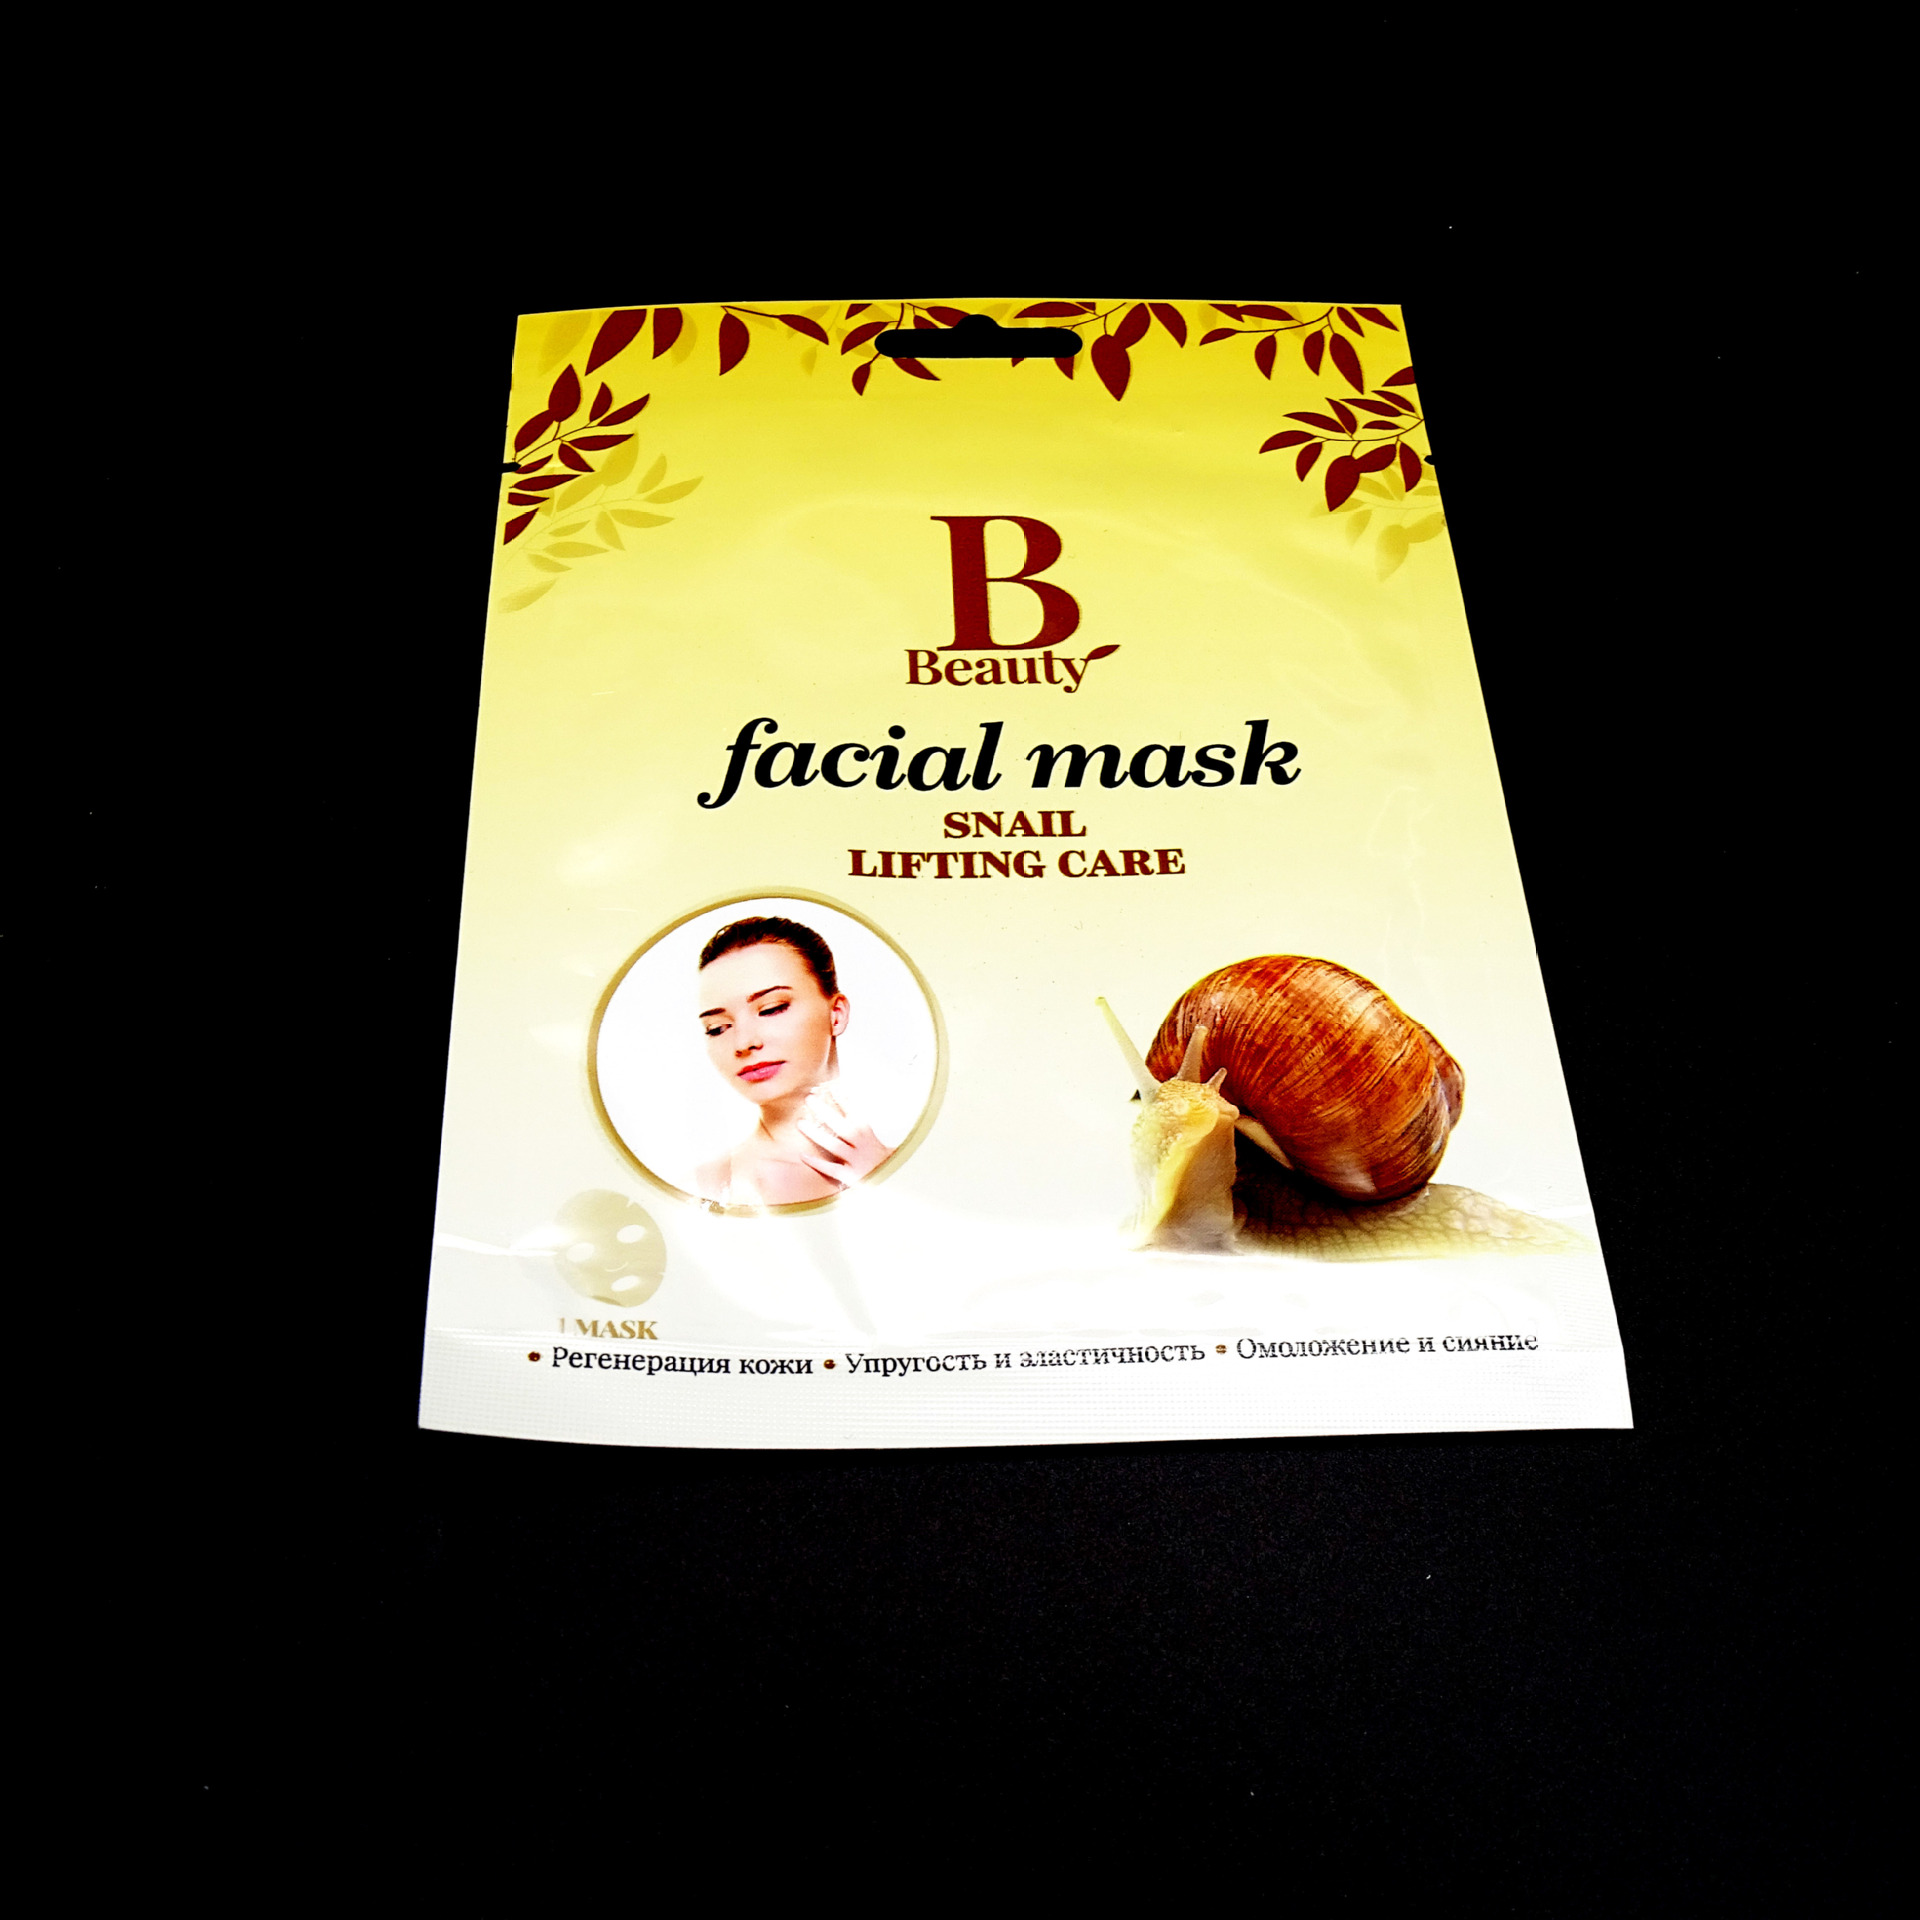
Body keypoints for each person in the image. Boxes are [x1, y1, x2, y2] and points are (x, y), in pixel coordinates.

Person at [691, 916, 894, 1206]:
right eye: (717, 1028)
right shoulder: (705, 1189)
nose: (744, 1042)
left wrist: (891, 1181)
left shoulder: (920, 1161)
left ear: (836, 1014)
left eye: (771, 1009)